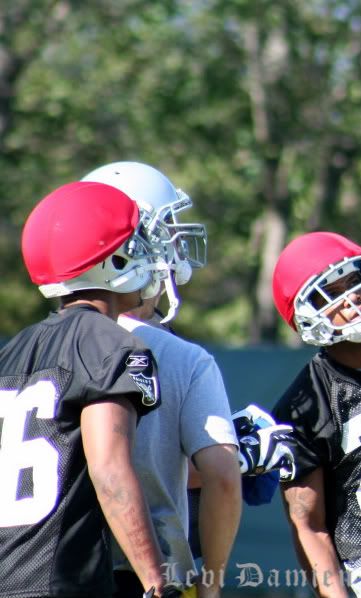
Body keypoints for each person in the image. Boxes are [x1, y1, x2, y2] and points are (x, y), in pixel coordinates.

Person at [80, 161, 243, 598]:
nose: (174, 242)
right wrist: (211, 584)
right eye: (162, 228)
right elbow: (223, 477)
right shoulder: (182, 358)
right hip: (149, 575)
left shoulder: (30, 350)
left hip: (47, 569)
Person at [0, 180, 170, 597]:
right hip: (63, 581)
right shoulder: (112, 344)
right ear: (109, 261)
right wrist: (155, 582)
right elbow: (110, 471)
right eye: (134, 242)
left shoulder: (13, 351)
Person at [271, 232, 361, 597]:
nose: (353, 298)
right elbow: (309, 526)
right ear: (305, 313)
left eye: (354, 281)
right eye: (331, 293)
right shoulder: (306, 402)